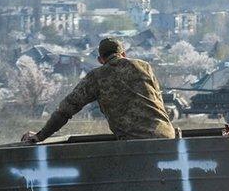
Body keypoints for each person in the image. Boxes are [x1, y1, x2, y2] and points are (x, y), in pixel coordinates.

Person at [21, 37, 175, 143]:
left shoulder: (97, 77)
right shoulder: (144, 66)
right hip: (166, 136)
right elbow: (158, 101)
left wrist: (40, 136)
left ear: (101, 60)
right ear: (124, 54)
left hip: (134, 144)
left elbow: (65, 110)